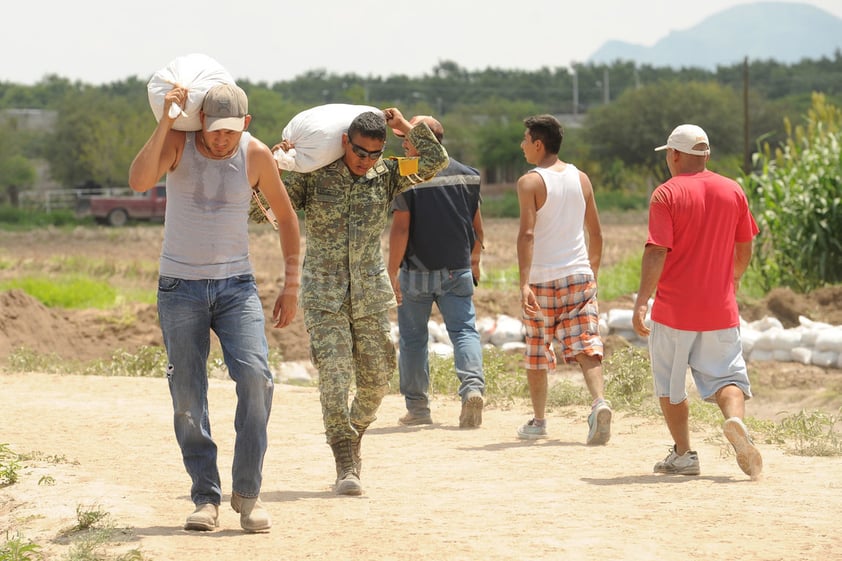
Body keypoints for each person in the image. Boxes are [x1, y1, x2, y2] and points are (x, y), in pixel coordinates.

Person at [128, 83, 301, 532]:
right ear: (199, 120)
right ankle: (205, 497)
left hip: (235, 289)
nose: (220, 139)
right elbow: (139, 181)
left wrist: (291, 286)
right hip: (179, 287)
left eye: (230, 130)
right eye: (213, 128)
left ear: (244, 125)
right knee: (187, 395)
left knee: (258, 381)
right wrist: (166, 120)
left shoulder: (255, 154)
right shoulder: (177, 146)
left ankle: (247, 494)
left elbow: (286, 217)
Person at [281, 108, 448, 495]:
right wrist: (283, 162)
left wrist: (405, 127)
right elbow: (263, 211)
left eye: (374, 153)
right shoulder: (314, 173)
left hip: (370, 293)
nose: (365, 160)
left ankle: (353, 433)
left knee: (376, 380)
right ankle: (344, 457)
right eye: (360, 152)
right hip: (325, 293)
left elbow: (435, 160)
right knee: (336, 379)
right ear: (345, 142)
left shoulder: (389, 173)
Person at [632, 124, 763, 479]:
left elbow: (657, 249)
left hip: (675, 310)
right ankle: (736, 421)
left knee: (671, 384)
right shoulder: (732, 190)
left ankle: (684, 454)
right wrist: (733, 278)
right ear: (706, 154)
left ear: (674, 155)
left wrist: (642, 300)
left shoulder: (666, 194)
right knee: (727, 376)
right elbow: (745, 244)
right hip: (720, 309)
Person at [515, 114, 612, 445]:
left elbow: (527, 234)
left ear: (539, 144)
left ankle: (540, 421)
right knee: (587, 343)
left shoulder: (530, 182)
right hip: (579, 276)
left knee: (537, 350)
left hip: (542, 280)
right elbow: (596, 234)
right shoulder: (581, 179)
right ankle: (599, 403)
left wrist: (524, 282)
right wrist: (591, 273)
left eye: (526, 140)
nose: (522, 145)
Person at [387, 115, 485, 429]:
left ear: (422, 140)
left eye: (408, 136)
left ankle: (418, 410)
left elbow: (401, 228)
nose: (404, 142)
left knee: (414, 340)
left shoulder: (409, 173)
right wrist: (475, 259)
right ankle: (472, 388)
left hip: (416, 272)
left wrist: (391, 272)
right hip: (457, 270)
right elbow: (476, 225)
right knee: (464, 332)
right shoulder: (468, 175)